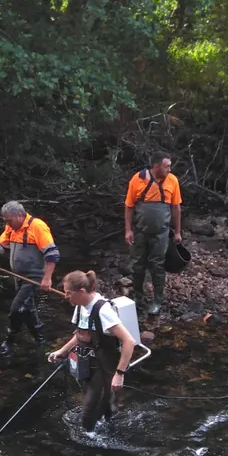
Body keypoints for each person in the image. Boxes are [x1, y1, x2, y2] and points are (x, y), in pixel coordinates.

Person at [0, 201, 59, 356]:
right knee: (27, 309)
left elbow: (52, 254)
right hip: (19, 277)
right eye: (5, 221)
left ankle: (9, 341)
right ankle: (41, 341)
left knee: (16, 310)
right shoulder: (11, 227)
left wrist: (47, 278)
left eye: (9, 220)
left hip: (34, 278)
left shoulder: (37, 227)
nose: (7, 223)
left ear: (20, 215)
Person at [48, 271, 137, 431]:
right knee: (103, 403)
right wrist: (61, 351)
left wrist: (119, 374)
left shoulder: (103, 311)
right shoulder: (81, 306)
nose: (65, 296)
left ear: (81, 292)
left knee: (88, 413)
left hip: (105, 364)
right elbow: (81, 335)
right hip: (89, 362)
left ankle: (90, 443)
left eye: (69, 293)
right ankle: (111, 417)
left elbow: (129, 341)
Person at [123, 154, 183, 316]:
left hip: (161, 233)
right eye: (167, 166)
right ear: (156, 166)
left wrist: (177, 232)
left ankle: (157, 300)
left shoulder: (173, 181)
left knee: (157, 265)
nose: (169, 169)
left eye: (170, 166)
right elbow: (129, 206)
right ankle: (138, 297)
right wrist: (128, 230)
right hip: (140, 232)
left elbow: (176, 208)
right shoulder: (138, 179)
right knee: (137, 265)